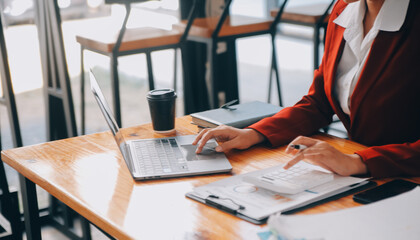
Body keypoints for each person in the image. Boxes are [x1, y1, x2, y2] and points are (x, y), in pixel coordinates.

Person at [193, 0, 420, 178]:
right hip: (359, 176)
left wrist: (358, 161)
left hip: (402, 177)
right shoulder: (344, 10)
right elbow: (319, 102)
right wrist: (254, 133)